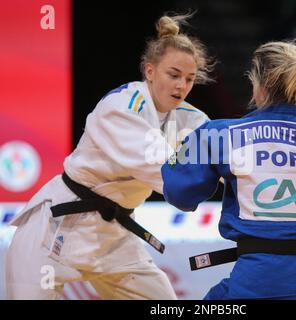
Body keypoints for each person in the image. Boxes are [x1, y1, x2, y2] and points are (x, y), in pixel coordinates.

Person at [6, 12, 214, 300]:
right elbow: (174, 179)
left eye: (189, 79)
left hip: (113, 235)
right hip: (56, 229)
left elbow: (222, 156)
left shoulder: (192, 119)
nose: (182, 86)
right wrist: (207, 178)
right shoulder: (121, 107)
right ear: (150, 71)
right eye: (174, 75)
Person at [161, 41, 296, 300]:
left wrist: (181, 155)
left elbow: (180, 194)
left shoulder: (220, 134)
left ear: (258, 84)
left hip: (257, 280)